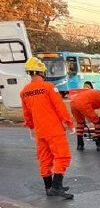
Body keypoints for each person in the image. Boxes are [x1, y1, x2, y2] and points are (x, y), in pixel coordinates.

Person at [19, 57, 74, 199]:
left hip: (40, 131)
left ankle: (49, 187)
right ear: (41, 72)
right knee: (62, 156)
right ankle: (56, 187)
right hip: (54, 130)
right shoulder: (49, 87)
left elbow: (27, 113)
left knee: (45, 159)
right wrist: (69, 123)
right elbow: (59, 107)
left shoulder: (24, 91)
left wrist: (31, 128)